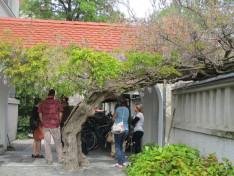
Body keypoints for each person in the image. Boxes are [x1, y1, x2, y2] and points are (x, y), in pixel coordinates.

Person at [38, 89, 64, 165]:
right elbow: (61, 113)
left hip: (46, 125)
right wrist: (59, 121)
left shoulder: (42, 103)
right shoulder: (57, 103)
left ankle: (49, 160)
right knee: (58, 143)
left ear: (48, 94)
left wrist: (42, 121)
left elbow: (40, 113)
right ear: (54, 94)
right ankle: (60, 159)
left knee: (47, 143)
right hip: (55, 125)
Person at [112, 98, 129, 167]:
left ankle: (119, 163)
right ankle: (123, 162)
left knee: (117, 146)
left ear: (120, 103)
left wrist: (116, 119)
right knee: (121, 145)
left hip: (119, 129)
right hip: (125, 129)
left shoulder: (118, 108)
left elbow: (113, 118)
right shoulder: (127, 109)